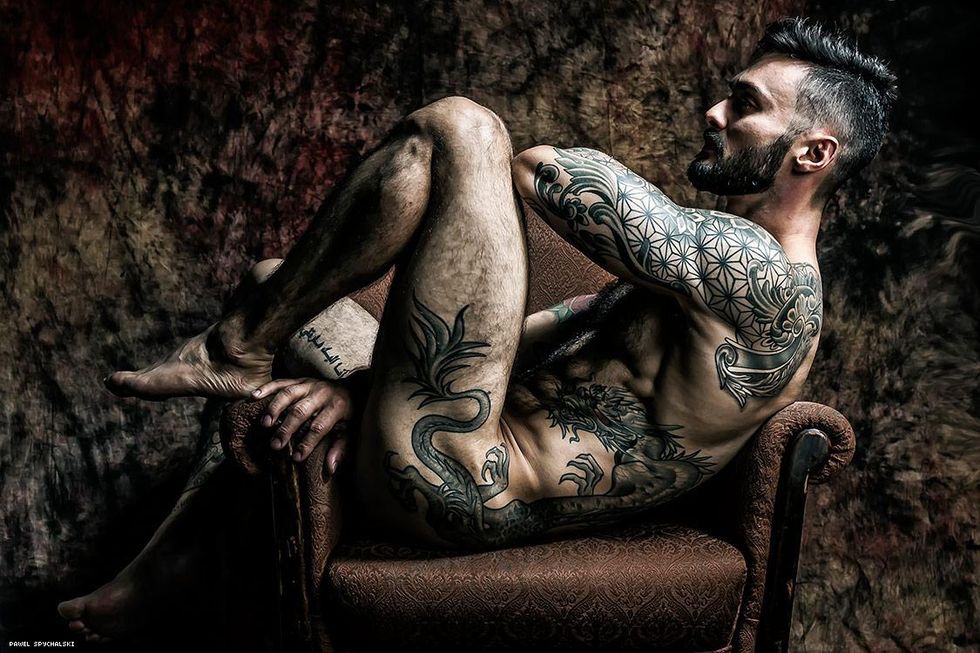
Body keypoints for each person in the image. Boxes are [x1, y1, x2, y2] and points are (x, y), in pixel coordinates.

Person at [58, 16, 897, 642]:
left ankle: (234, 347)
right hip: (449, 436)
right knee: (281, 279)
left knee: (465, 129)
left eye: (744, 105)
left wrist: (381, 395)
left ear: (812, 153)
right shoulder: (705, 280)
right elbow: (540, 334)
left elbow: (541, 171)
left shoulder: (765, 279)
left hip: (463, 483)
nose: (713, 112)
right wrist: (361, 389)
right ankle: (162, 568)